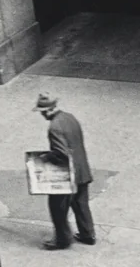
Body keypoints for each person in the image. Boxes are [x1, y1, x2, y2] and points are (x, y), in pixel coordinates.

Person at [34, 92, 95, 250]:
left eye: (41, 112)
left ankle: (62, 239)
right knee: (81, 204)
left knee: (57, 208)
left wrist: (46, 157)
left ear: (47, 111)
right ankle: (88, 234)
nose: (42, 115)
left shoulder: (54, 127)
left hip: (68, 175)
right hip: (83, 169)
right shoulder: (70, 117)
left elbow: (62, 153)